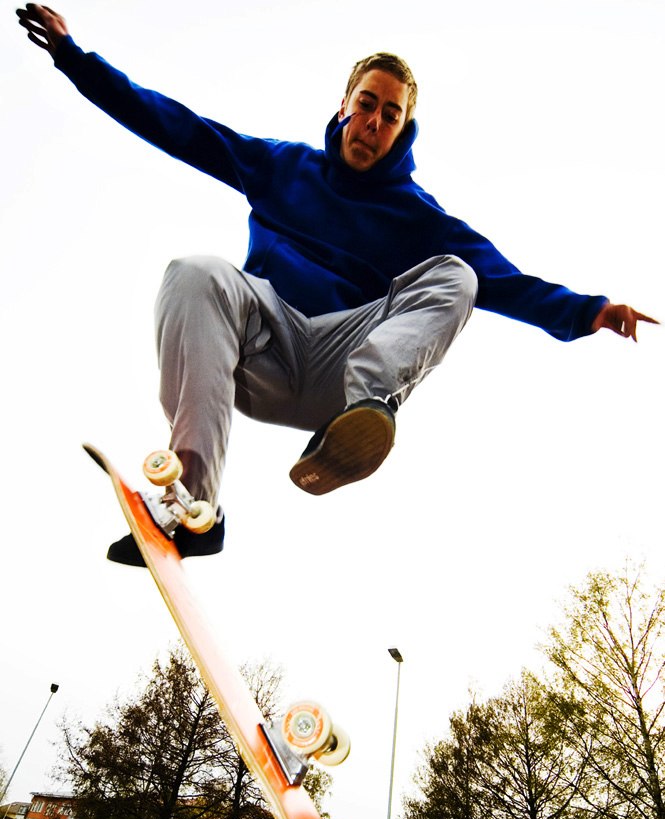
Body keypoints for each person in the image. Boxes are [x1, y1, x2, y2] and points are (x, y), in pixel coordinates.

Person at [16, 4, 657, 567]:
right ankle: (192, 507)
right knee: (194, 272)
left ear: (403, 130)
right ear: (346, 105)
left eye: (390, 116)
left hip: (338, 367)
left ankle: (365, 409)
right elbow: (179, 128)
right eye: (367, 106)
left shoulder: (417, 216)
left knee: (457, 275)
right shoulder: (280, 165)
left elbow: (502, 281)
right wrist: (78, 61)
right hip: (259, 350)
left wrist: (590, 310)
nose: (373, 124)